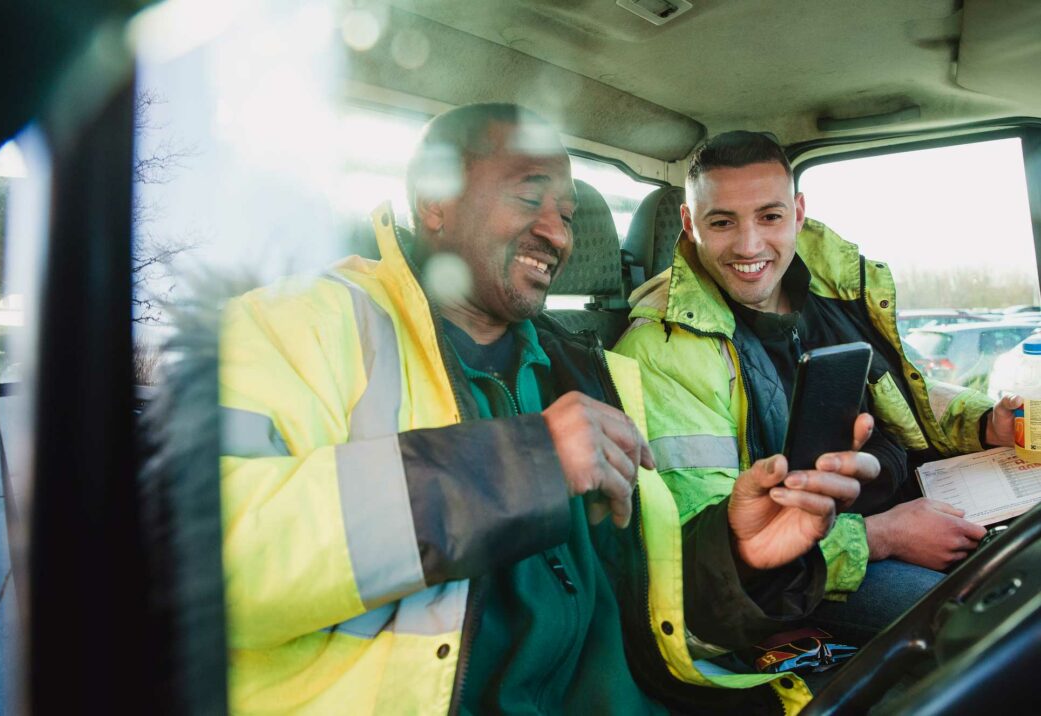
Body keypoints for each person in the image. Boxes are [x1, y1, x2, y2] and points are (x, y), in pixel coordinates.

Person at [218, 105, 878, 714]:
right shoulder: (295, 326)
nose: (555, 232)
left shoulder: (592, 375)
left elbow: (643, 613)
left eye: (566, 213)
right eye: (529, 197)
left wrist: (735, 554)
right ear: (434, 204)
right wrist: (526, 464)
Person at [613, 130, 1019, 645]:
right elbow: (712, 550)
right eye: (722, 222)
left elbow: (905, 388)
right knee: (988, 629)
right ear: (690, 224)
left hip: (915, 501)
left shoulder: (833, 292)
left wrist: (984, 423)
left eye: (770, 216)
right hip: (814, 572)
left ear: (798, 213)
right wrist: (884, 537)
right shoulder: (662, 348)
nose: (749, 245)